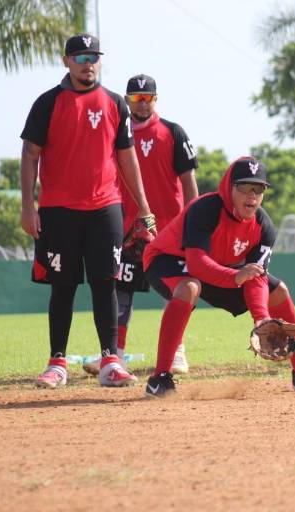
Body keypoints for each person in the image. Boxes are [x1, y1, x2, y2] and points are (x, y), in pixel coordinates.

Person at [142, 157, 295, 397]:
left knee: (278, 291)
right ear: (229, 187)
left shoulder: (263, 225)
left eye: (258, 189)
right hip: (166, 259)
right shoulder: (205, 209)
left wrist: (262, 320)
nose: (252, 195)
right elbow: (196, 264)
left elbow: (256, 277)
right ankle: (160, 379)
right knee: (190, 287)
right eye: (245, 187)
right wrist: (236, 276)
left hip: (220, 267)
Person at [20, 34, 154, 388]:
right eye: (79, 57)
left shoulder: (115, 103)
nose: (87, 63)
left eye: (93, 56)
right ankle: (57, 363)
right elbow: (30, 154)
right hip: (58, 210)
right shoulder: (47, 103)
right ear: (66, 61)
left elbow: (127, 158)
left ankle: (111, 361)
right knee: (62, 286)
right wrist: (28, 207)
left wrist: (144, 208)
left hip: (104, 208)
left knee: (105, 282)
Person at [82, 74, 199, 376]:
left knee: (175, 290)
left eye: (147, 98)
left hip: (169, 231)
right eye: (136, 98)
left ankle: (177, 352)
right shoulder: (115, 133)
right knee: (121, 290)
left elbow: (189, 181)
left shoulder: (173, 132)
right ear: (127, 100)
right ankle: (115, 354)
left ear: (155, 99)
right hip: (127, 230)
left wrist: (192, 222)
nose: (142, 104)